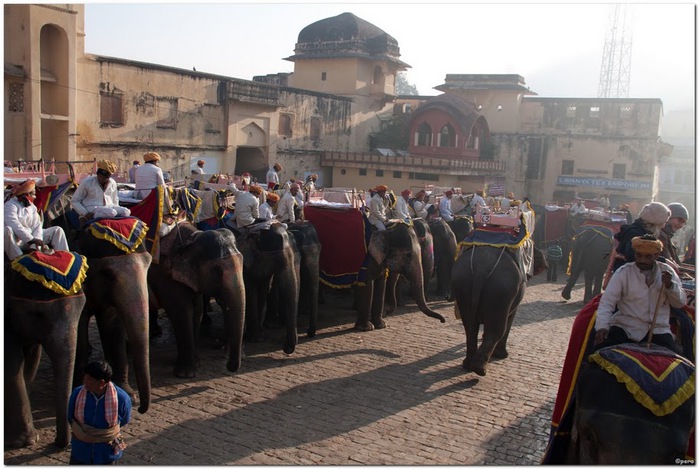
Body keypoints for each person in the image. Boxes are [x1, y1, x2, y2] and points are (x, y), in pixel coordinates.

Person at [593, 234, 686, 351]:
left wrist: (671, 286)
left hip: (659, 330)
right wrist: (602, 327)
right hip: (626, 328)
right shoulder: (623, 272)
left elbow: (679, 303)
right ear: (635, 254)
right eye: (639, 255)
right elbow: (607, 303)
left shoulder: (667, 272)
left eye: (648, 257)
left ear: (657, 255)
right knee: (599, 358)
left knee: (676, 365)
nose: (642, 260)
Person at [68, 360, 132, 465]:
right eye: (85, 377)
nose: (85, 381)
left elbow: (124, 420)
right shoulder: (77, 394)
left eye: (89, 379)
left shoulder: (121, 398)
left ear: (101, 382)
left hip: (106, 453)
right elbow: (70, 417)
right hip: (81, 452)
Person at [4, 179, 70, 261]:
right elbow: (14, 225)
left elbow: (37, 226)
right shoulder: (10, 205)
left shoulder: (32, 207)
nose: (35, 197)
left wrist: (35, 244)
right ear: (25, 194)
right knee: (6, 230)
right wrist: (30, 239)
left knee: (57, 230)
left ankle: (65, 257)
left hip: (33, 240)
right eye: (33, 194)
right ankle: (17, 258)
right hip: (18, 241)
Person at [612, 201, 671, 273]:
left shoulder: (640, 231)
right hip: (627, 276)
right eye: (664, 222)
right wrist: (662, 261)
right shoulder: (635, 233)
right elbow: (633, 256)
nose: (664, 226)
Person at [71, 160, 131, 224]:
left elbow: (115, 199)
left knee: (126, 211)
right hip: (92, 207)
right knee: (111, 212)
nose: (101, 179)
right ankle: (90, 217)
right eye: (100, 177)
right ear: (97, 174)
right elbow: (75, 201)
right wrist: (85, 213)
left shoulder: (112, 183)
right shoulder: (87, 182)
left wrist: (117, 210)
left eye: (104, 178)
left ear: (108, 177)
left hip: (109, 207)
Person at [658, 202, 688, 269]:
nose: (681, 225)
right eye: (680, 220)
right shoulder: (659, 235)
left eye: (683, 223)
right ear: (669, 217)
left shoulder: (666, 234)